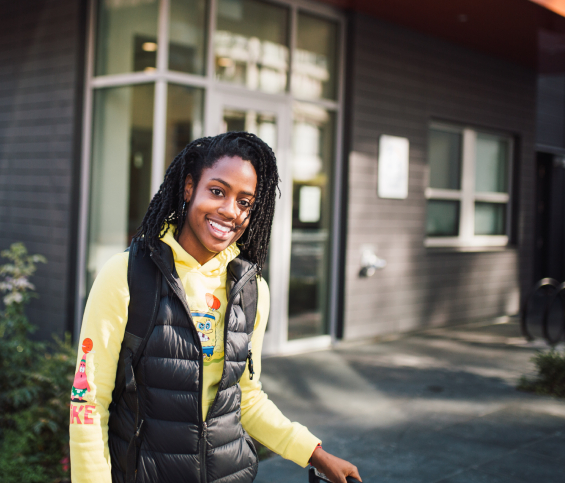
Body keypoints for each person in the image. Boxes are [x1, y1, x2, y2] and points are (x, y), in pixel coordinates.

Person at [70, 132, 361, 483]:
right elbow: (88, 401)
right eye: (218, 191)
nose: (230, 211)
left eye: (245, 202)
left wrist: (315, 454)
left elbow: (246, 400)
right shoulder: (127, 275)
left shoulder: (252, 290)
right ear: (190, 187)